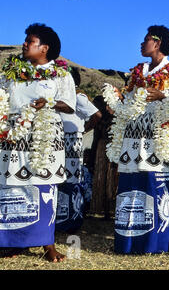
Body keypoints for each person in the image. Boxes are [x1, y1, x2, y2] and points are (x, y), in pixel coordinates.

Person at [107, 25, 169, 254]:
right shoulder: (137, 71)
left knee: (154, 184)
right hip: (134, 137)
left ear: (158, 42)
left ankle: (158, 242)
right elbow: (129, 101)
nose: (141, 44)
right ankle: (130, 241)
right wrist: (117, 104)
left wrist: (164, 96)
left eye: (145, 40)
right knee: (133, 184)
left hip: (158, 137)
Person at [0, 23, 76, 262]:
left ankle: (47, 246)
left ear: (44, 48)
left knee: (43, 188)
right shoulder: (11, 73)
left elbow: (70, 104)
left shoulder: (61, 75)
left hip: (45, 140)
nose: (24, 44)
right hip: (14, 139)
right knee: (13, 187)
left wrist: (49, 102)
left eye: (29, 41)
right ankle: (13, 243)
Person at [56, 66, 101, 233]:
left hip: (73, 142)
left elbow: (97, 115)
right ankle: (58, 220)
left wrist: (84, 130)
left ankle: (71, 221)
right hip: (58, 142)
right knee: (58, 179)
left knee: (72, 180)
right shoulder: (56, 97)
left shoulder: (78, 97)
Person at [89, 95, 118, 219]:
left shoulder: (113, 119)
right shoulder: (104, 120)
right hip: (104, 149)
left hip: (110, 149)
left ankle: (107, 209)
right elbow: (95, 138)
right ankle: (103, 208)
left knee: (109, 178)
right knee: (104, 178)